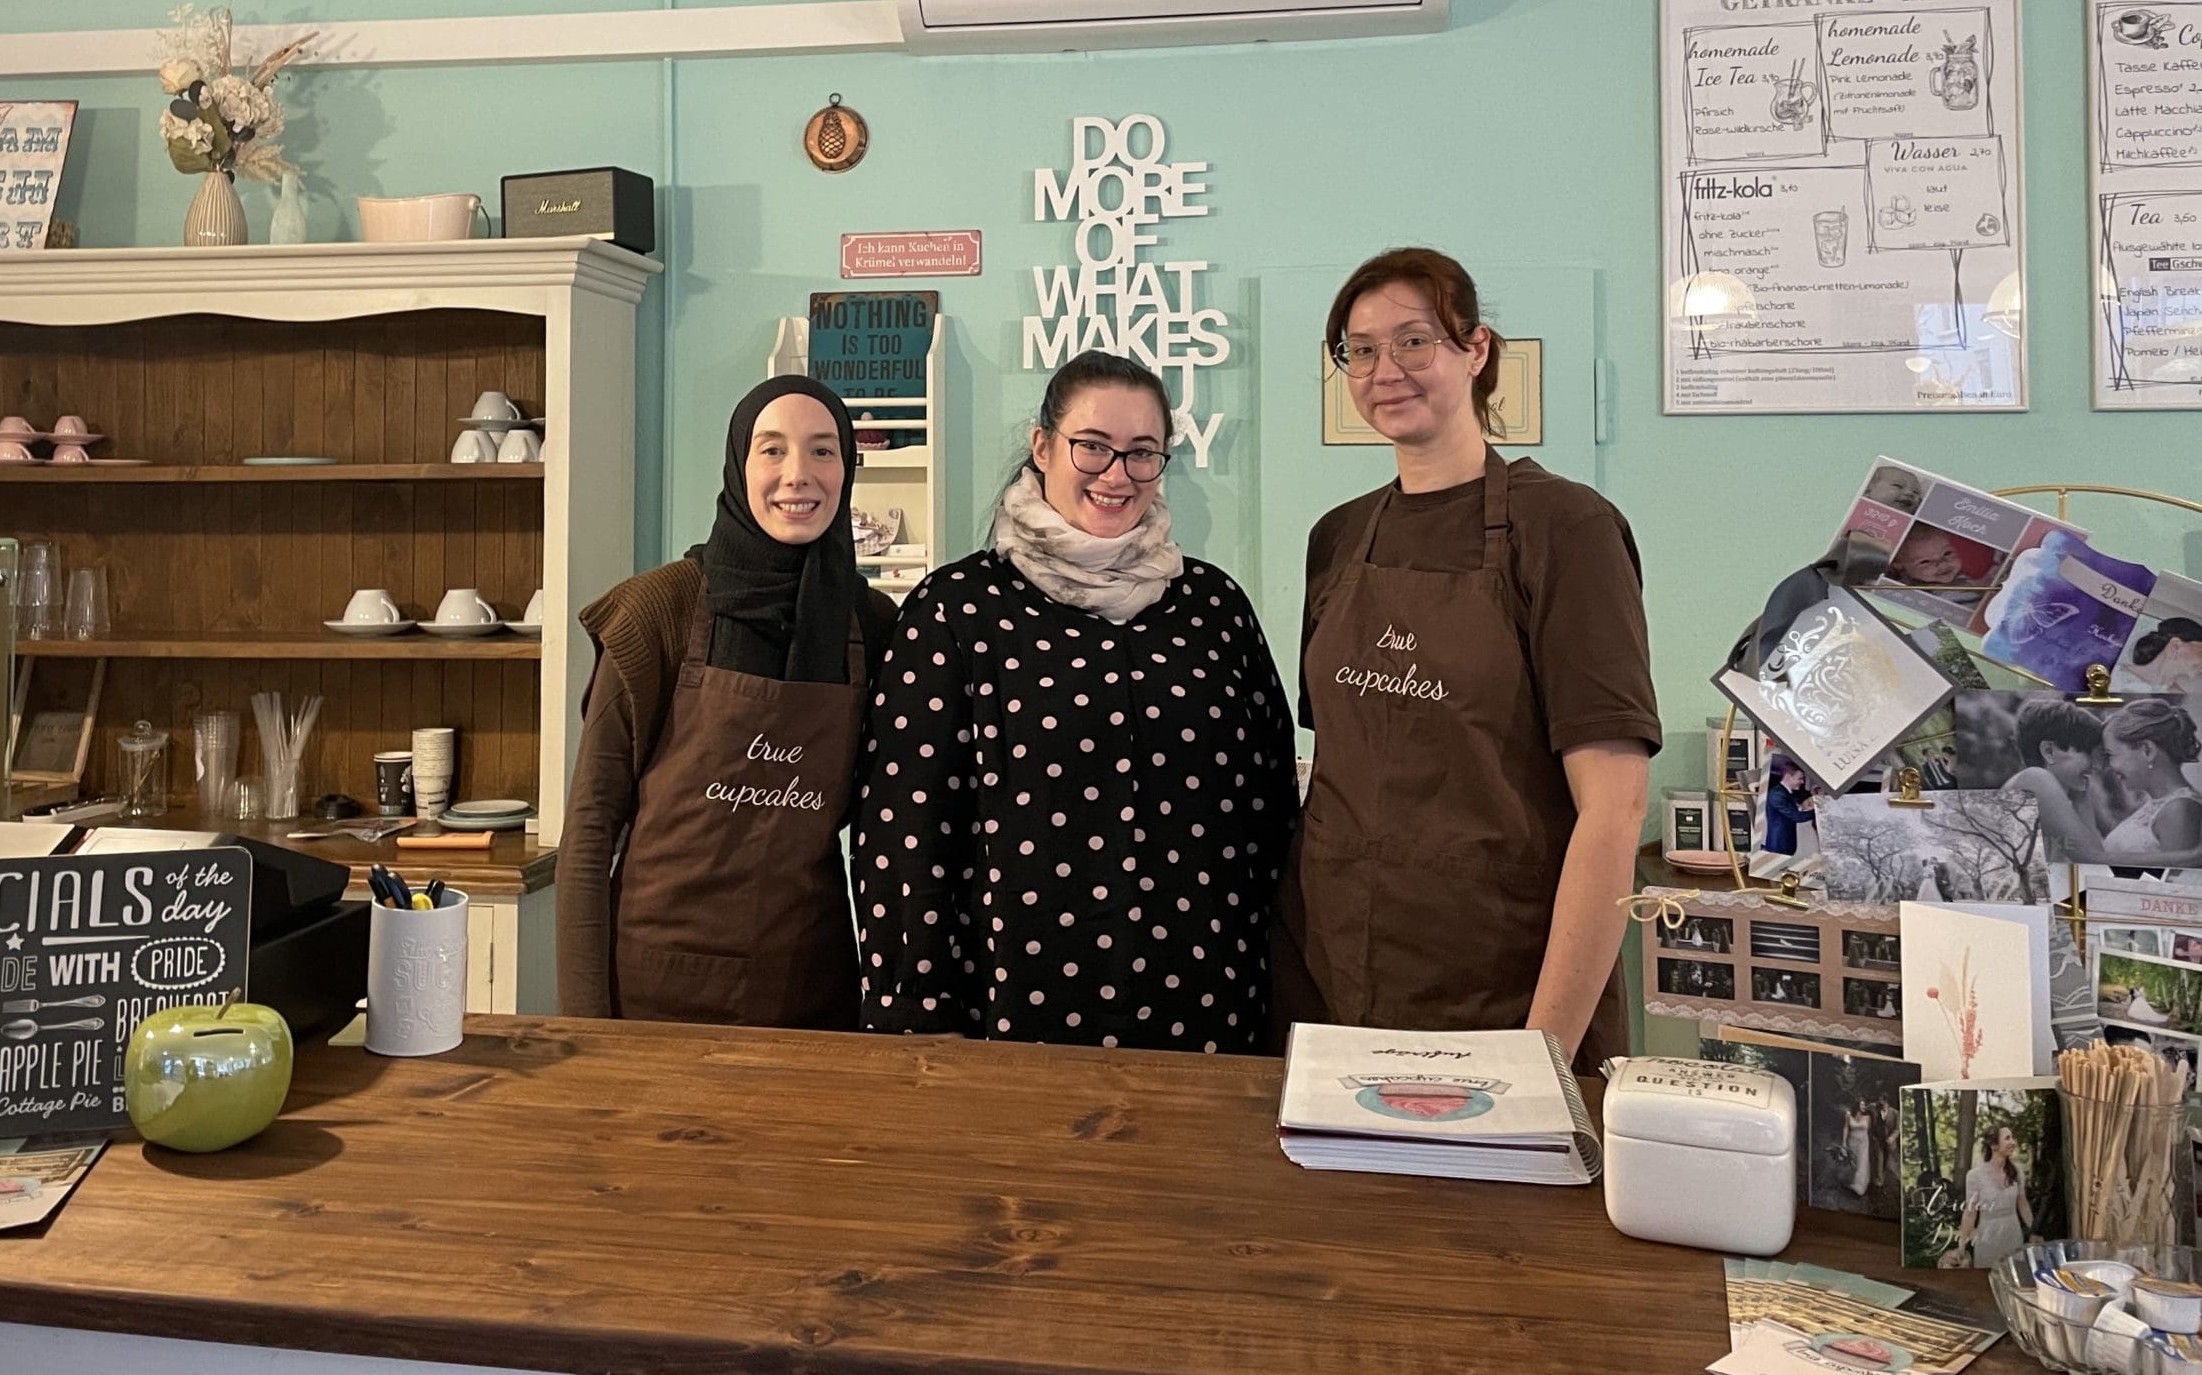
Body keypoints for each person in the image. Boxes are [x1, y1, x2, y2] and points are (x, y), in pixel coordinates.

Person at [1273, 248, 1658, 1071]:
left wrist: (1541, 1053)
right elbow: (1349, 770)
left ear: (1476, 350)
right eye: (1361, 348)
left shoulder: (1566, 529)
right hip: (1332, 976)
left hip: (1502, 989)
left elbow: (1615, 810)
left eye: (1415, 341)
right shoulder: (1337, 538)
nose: (1387, 369)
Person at [855, 351, 1299, 1053]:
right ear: (1042, 446)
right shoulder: (956, 610)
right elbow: (905, 839)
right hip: (1008, 1009)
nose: (1116, 473)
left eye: (1142, 453)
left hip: (1205, 999)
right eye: (1092, 446)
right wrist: (914, 1018)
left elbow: (1269, 813)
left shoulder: (1215, 608)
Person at [555, 376, 897, 1027]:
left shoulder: (871, 624)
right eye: (772, 450)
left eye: (823, 451)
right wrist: (582, 1026)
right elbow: (592, 829)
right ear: (739, 465)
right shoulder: (658, 611)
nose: (799, 474)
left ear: (848, 468)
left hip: (810, 994)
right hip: (654, 991)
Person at [2006, 697, 2116, 862]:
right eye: (2087, 752)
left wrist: (2081, 801)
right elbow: (2092, 858)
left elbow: (2095, 853)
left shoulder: (2066, 794)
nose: (2097, 766)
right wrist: (2168, 860)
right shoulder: (2035, 777)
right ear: (2049, 751)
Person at [2099, 699, 2202, 869]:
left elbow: (2177, 888)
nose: (2109, 767)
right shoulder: (2159, 806)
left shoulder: (2180, 810)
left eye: (2111, 755)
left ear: (2147, 750)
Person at [1955, 1126, 2031, 1269]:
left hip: (2013, 1234)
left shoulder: (2017, 1171)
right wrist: (1962, 1245)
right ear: (1994, 1145)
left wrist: (2033, 1231)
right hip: (1987, 1237)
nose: (2013, 1142)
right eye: (2007, 1138)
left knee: (2014, 1275)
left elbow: (2022, 1203)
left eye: (2012, 1137)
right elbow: (1970, 1213)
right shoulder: (1974, 1176)